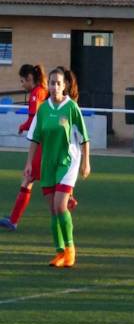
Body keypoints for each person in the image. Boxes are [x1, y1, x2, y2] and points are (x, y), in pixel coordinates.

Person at [23, 67, 90, 268]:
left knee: (60, 205)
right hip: (48, 163)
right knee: (53, 210)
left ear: (64, 86)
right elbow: (35, 138)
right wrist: (29, 163)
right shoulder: (43, 109)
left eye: (58, 83)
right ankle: (59, 252)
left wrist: (86, 162)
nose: (54, 87)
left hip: (68, 162)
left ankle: (70, 251)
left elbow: (84, 138)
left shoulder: (71, 108)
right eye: (52, 83)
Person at [0, 64, 48, 231]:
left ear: (29, 78)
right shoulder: (42, 91)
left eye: (22, 81)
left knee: (28, 179)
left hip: (42, 144)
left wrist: (22, 126)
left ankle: (13, 221)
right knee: (32, 180)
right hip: (45, 142)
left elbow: (34, 120)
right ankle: (13, 218)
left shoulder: (36, 93)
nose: (22, 85)